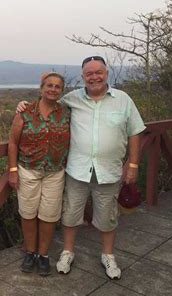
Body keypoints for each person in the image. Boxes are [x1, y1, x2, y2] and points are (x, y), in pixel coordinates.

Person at [16, 56, 145, 279]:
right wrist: (24, 105)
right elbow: (48, 103)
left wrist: (132, 164)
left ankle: (108, 255)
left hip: (109, 171)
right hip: (77, 170)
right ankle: (68, 252)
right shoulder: (72, 99)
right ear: (83, 77)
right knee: (70, 215)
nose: (94, 77)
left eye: (99, 72)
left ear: (107, 73)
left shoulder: (123, 100)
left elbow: (135, 131)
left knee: (108, 217)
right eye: (89, 74)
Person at [8, 72, 70, 276]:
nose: (53, 89)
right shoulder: (25, 111)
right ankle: (30, 252)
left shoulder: (66, 112)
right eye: (49, 85)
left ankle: (43, 255)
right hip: (28, 170)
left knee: (49, 215)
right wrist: (13, 169)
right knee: (28, 213)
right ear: (41, 88)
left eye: (57, 86)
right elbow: (13, 142)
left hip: (55, 172)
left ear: (62, 91)